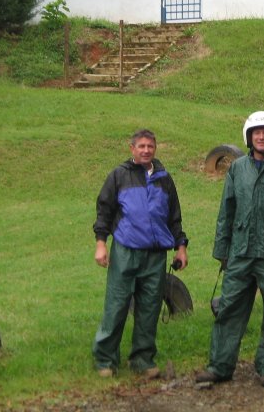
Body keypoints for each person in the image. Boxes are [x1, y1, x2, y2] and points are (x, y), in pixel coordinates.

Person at [196, 111, 264, 388]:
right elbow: (227, 211)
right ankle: (220, 366)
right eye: (256, 132)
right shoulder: (237, 169)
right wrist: (222, 249)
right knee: (230, 308)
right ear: (249, 137)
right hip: (241, 251)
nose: (261, 136)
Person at [92, 128, 188, 379]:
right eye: (141, 146)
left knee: (149, 308)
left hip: (155, 255)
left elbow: (174, 216)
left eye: (150, 146)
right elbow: (104, 211)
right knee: (116, 306)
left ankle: (143, 360)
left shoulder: (164, 179)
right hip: (126, 250)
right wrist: (101, 243)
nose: (146, 150)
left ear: (155, 149)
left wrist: (181, 247)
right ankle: (105, 360)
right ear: (131, 148)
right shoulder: (118, 176)